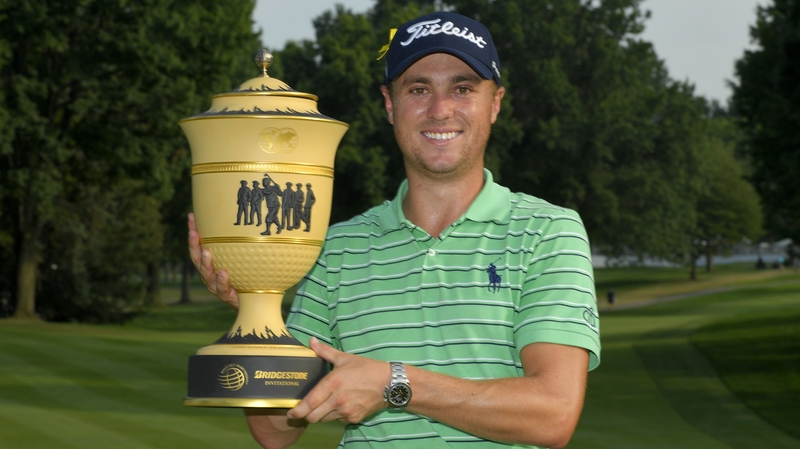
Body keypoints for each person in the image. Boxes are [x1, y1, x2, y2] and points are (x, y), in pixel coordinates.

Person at [189, 11, 600, 449]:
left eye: (462, 88)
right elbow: (276, 431)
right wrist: (255, 310)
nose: (440, 110)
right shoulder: (336, 248)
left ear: (495, 103)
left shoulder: (548, 232)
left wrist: (395, 384)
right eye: (418, 89)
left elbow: (552, 414)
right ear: (390, 104)